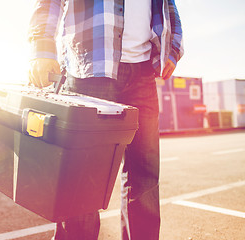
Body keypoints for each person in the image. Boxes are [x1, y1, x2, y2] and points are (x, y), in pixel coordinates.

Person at [28, 0, 183, 239]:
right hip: (90, 68)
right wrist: (42, 46)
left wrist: (172, 49)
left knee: (145, 177)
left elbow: (167, 4)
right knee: (81, 180)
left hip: (143, 73)